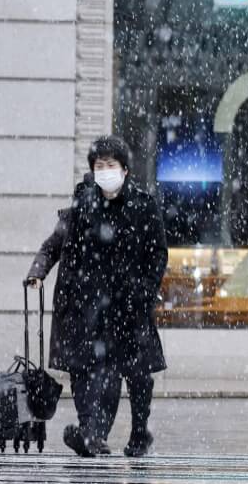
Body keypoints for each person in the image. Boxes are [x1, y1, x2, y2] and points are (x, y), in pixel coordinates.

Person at [25, 135, 168, 457]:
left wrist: (145, 291)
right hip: (90, 306)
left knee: (137, 375)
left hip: (130, 306)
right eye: (99, 165)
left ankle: (138, 432)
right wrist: (38, 271)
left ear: (125, 170)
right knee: (90, 371)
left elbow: (158, 253)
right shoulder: (83, 204)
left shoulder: (142, 205)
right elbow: (55, 243)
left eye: (111, 165)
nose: (105, 171)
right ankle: (92, 433)